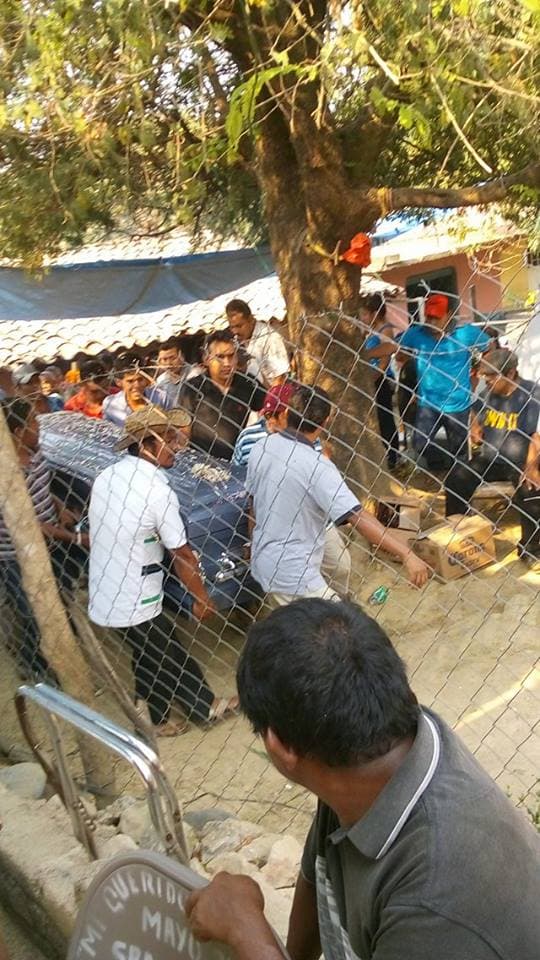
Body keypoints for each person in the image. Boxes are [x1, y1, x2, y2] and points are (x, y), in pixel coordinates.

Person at [186, 599, 540, 960]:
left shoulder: (435, 902)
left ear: (279, 746)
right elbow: (318, 875)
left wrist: (248, 934)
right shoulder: (373, 753)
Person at [88, 405, 237, 736]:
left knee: (153, 647)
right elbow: (182, 553)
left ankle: (166, 711)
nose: (177, 446)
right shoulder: (157, 492)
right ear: (147, 446)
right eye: (169, 440)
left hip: (108, 586)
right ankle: (177, 714)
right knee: (160, 649)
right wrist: (201, 598)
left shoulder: (107, 476)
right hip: (133, 592)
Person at [246, 384, 428, 606]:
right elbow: (358, 517)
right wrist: (406, 554)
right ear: (325, 421)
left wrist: (252, 543)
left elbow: (252, 502)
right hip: (293, 573)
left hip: (267, 558)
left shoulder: (261, 447)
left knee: (324, 602)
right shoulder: (316, 465)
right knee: (335, 628)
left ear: (287, 413)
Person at [0, 398, 88, 679]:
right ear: (17, 432)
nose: (39, 428)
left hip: (47, 542)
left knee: (59, 598)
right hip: (16, 555)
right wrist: (74, 539)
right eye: (34, 424)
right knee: (33, 611)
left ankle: (66, 657)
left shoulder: (34, 454)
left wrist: (60, 507)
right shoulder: (7, 472)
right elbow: (29, 524)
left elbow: (43, 487)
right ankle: (37, 669)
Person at [445, 349, 540, 564]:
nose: (485, 381)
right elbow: (475, 410)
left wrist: (532, 468)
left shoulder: (532, 395)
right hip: (490, 459)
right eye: (484, 376)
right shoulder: (489, 392)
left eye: (491, 376)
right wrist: (475, 425)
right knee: (455, 480)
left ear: (511, 373)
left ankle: (530, 548)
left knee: (532, 491)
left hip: (522, 461)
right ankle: (457, 535)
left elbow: (537, 435)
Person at [396, 293, 491, 465]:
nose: (432, 322)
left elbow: (489, 345)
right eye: (429, 317)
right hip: (428, 404)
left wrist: (477, 371)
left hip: (457, 404)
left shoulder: (465, 333)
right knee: (420, 444)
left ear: (448, 315)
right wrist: (367, 353)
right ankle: (446, 465)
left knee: (459, 448)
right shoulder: (416, 334)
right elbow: (394, 346)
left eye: (436, 317)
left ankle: (458, 473)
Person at [180, 330, 265, 460]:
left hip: (237, 461)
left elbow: (272, 407)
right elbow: (183, 430)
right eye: (220, 357)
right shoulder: (193, 387)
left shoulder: (247, 383)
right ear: (207, 359)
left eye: (231, 356)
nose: (227, 363)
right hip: (202, 463)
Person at [360, 294, 400, 471]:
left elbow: (388, 351)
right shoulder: (368, 329)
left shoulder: (385, 329)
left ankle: (392, 456)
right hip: (368, 378)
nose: (363, 318)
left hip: (381, 379)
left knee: (385, 418)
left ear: (375, 313)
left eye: (366, 314)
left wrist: (375, 373)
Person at [226, 299, 289, 388]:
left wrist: (270, 399)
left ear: (251, 319)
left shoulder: (269, 338)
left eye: (239, 326)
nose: (235, 331)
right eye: (232, 327)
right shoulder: (236, 341)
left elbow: (280, 377)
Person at [232, 381, 295, 467]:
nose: (270, 420)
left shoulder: (306, 438)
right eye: (267, 415)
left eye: (274, 414)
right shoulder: (248, 436)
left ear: (287, 414)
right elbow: (234, 471)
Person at [102, 352, 172, 427]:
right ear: (118, 382)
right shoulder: (111, 405)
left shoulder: (160, 398)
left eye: (140, 379)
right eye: (130, 381)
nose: (137, 385)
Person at [154, 341, 197, 407]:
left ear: (181, 357)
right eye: (164, 359)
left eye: (173, 358)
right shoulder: (160, 380)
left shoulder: (194, 374)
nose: (169, 363)